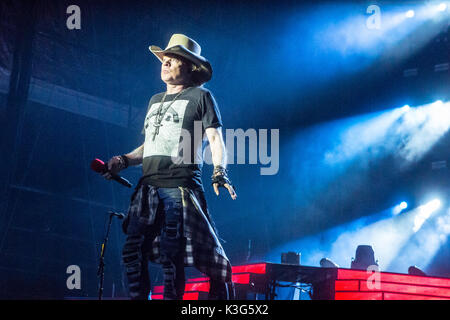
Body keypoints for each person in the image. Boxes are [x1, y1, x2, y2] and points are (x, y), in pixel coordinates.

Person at [103, 34, 237, 300]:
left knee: (170, 252)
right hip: (148, 187)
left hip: (179, 185)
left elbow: (215, 138)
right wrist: (124, 160)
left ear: (189, 67)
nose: (166, 62)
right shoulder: (155, 101)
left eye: (173, 59)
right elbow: (150, 144)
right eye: (165, 58)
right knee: (133, 250)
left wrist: (220, 170)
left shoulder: (201, 97)